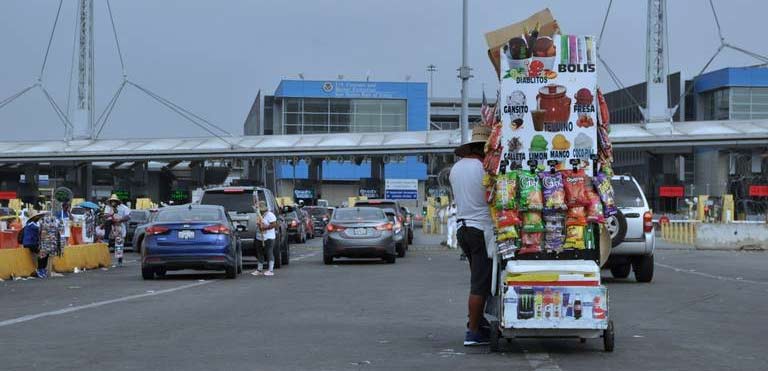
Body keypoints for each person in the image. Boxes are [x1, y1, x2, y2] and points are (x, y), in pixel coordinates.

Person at [449, 125, 494, 346]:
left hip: (462, 228)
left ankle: (476, 322)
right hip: (480, 230)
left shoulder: (455, 169)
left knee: (478, 277)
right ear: (483, 148)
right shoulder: (483, 168)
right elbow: (490, 198)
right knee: (479, 284)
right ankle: (473, 332)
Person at [252, 201, 278, 277]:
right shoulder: (258, 215)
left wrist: (265, 227)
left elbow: (274, 224)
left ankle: (270, 270)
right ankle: (259, 269)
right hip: (259, 237)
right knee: (259, 253)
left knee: (269, 252)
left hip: (269, 237)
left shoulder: (270, 215)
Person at [104, 195, 130, 266]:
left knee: (119, 245)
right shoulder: (108, 207)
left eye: (114, 201)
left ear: (117, 201)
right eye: (112, 201)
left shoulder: (123, 207)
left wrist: (121, 219)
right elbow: (105, 216)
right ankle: (104, 260)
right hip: (110, 228)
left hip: (119, 227)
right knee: (106, 246)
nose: (113, 202)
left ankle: (119, 261)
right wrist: (111, 214)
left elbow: (128, 216)